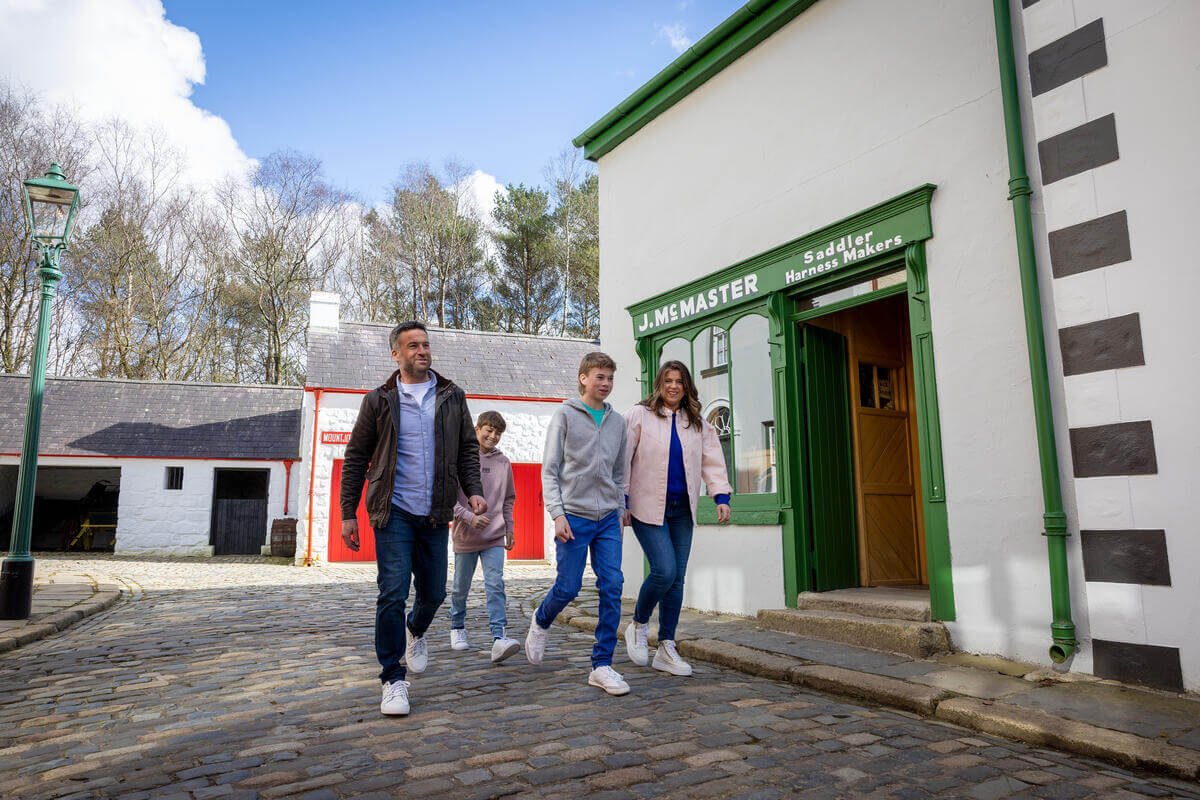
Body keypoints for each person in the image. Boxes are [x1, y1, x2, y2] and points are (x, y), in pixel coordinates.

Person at [340, 321, 486, 716]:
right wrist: (347, 513)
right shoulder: (379, 400)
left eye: (426, 345)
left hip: (436, 512)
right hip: (394, 511)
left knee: (435, 592)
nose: (422, 351)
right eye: (413, 346)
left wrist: (473, 490)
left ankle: (415, 629)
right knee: (391, 592)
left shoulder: (452, 396)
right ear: (396, 354)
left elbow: (468, 450)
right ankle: (392, 678)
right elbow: (355, 458)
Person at [525, 352, 630, 696]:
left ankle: (602, 664)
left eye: (610, 378)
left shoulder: (618, 423)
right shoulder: (565, 415)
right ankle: (541, 620)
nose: (606, 384)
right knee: (568, 587)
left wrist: (621, 507)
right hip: (573, 516)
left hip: (608, 520)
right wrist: (557, 514)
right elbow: (550, 469)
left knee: (613, 584)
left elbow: (619, 472)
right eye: (600, 377)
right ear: (583, 377)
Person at [622, 360, 732, 677]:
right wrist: (623, 498)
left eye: (679, 381)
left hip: (682, 509)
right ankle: (639, 624)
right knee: (664, 570)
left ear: (686, 387)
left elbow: (712, 460)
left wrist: (720, 495)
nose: (673, 386)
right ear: (659, 384)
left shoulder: (697, 422)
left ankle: (666, 646)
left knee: (677, 579)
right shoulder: (639, 415)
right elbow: (623, 459)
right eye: (668, 380)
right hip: (646, 507)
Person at [448, 410, 522, 663]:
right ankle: (457, 627)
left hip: (494, 537)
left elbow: (509, 499)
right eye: (488, 430)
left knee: (495, 584)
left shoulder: (504, 463)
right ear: (477, 429)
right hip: (465, 536)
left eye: (498, 432)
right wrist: (469, 517)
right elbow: (449, 498)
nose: (493, 435)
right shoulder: (461, 458)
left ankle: (499, 637)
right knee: (460, 587)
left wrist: (509, 527)